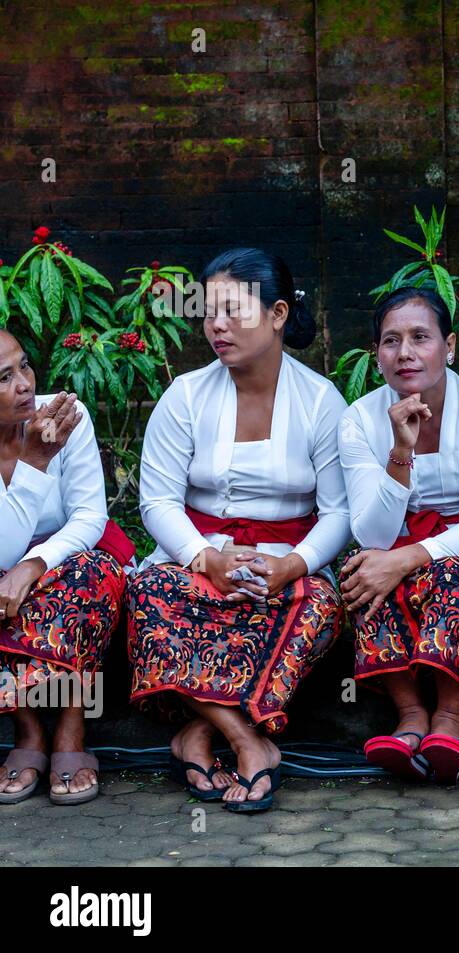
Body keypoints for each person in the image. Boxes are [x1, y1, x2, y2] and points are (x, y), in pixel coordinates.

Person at [126, 248, 350, 813]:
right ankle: (250, 741)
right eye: (208, 312)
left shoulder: (321, 401)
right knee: (151, 594)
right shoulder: (186, 396)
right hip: (195, 559)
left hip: (284, 564)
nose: (216, 327)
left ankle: (198, 734)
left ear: (277, 314)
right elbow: (156, 501)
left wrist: (293, 566)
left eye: (231, 310)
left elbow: (340, 513)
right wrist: (205, 558)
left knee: (316, 604)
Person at [337, 287, 459, 783]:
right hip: (393, 551)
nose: (406, 353)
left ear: (451, 346)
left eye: (421, 337)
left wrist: (403, 559)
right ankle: (410, 715)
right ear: (376, 355)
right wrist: (401, 450)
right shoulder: (358, 420)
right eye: (391, 341)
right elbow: (372, 532)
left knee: (457, 577)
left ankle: (451, 718)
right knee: (361, 573)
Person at [0, 331, 134, 806]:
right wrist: (36, 461)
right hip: (4, 564)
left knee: (84, 579)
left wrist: (34, 564)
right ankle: (29, 731)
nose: (24, 385)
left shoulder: (62, 414)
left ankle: (71, 730)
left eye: (24, 367)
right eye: (4, 377)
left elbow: (90, 518)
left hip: (70, 555)